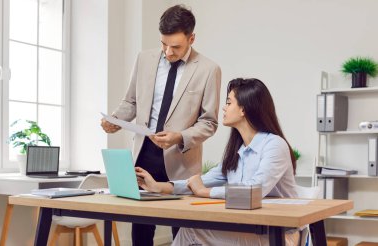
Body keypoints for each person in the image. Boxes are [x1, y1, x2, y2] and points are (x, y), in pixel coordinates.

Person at [101, 4, 221, 246]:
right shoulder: (144, 59)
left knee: (183, 231)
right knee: (141, 229)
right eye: (163, 44)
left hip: (181, 161)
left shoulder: (209, 70)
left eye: (175, 46)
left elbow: (209, 122)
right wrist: (115, 119)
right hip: (143, 155)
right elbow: (131, 101)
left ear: (192, 38)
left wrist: (179, 136)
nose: (168, 52)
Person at [136, 78, 299, 246]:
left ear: (244, 109)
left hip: (280, 235)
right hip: (251, 229)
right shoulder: (237, 151)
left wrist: (204, 192)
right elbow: (200, 181)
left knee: (191, 232)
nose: (224, 107)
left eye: (229, 103)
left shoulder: (274, 145)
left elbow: (253, 192)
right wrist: (159, 187)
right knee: (189, 230)